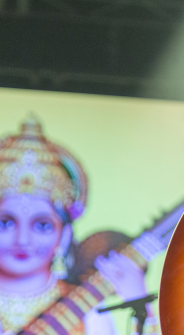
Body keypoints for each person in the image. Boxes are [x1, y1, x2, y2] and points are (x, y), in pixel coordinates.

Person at [0, 116, 152, 335]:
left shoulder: (86, 307)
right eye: (5, 223)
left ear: (64, 235)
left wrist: (140, 303)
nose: (22, 239)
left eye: (42, 225)